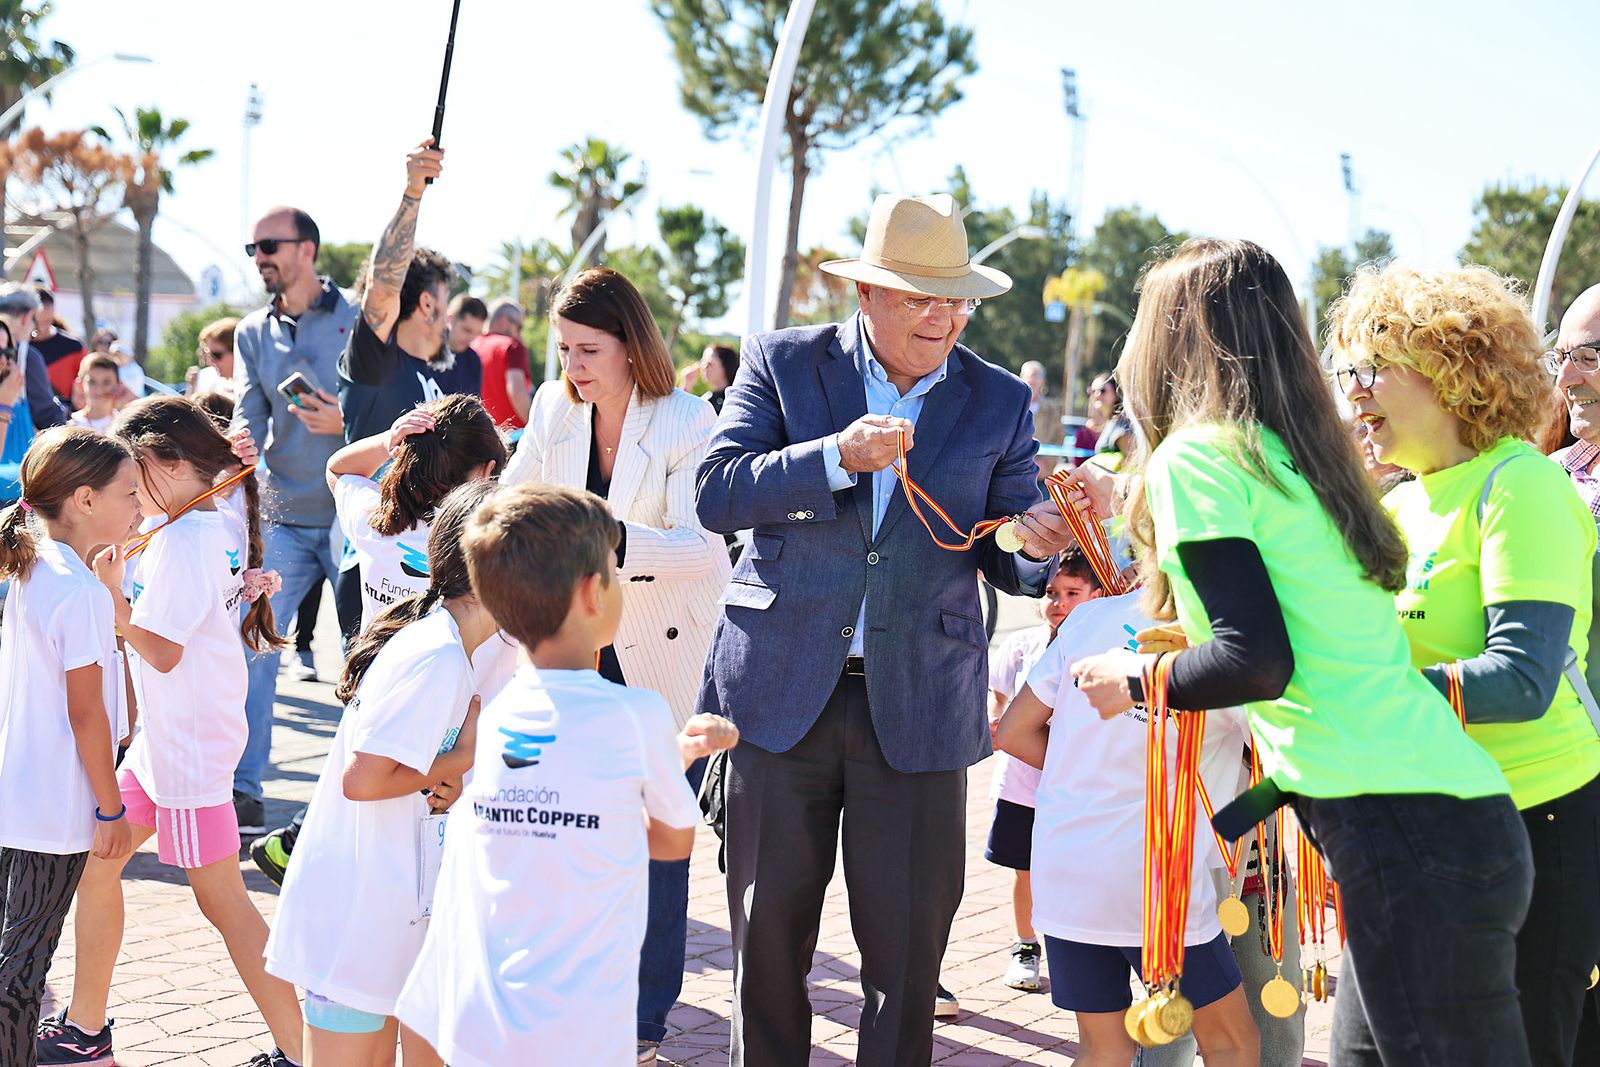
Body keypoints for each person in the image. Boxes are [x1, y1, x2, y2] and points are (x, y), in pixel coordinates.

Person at [1068, 238, 1529, 1066]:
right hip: (1446, 820)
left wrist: (1138, 679)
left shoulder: (1200, 459)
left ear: (1175, 341)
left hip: (1403, 831)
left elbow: (1256, 661)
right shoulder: (1303, 464)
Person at [694, 192, 1075, 1065]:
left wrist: (1036, 541)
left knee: (907, 962)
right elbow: (716, 491)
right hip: (777, 695)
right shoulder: (782, 362)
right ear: (866, 295)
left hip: (921, 706)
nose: (943, 318)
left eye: (957, 299)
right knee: (764, 944)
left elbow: (1005, 550)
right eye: (919, 297)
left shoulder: (1000, 399)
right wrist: (834, 457)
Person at [1330, 264, 1600, 1067]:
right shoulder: (1397, 503)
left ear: (1452, 367)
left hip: (1529, 829)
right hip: (1406, 834)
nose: (1354, 394)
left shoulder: (1522, 485)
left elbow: (1522, 679)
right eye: (1348, 372)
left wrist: (1358, 694)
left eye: (1372, 369)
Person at [394, 483, 737, 1067]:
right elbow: (668, 841)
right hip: (580, 1016)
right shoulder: (639, 714)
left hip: (489, 1009)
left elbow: (571, 791)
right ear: (591, 594)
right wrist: (667, 762)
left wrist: (660, 759)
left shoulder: (502, 712)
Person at [501, 266, 731, 1062]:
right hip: (568, 653)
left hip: (659, 660)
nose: (572, 365)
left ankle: (643, 1021)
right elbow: (510, 500)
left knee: (657, 841)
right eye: (562, 347)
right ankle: (574, 995)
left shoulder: (687, 419)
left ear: (632, 345)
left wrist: (607, 535)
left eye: (588, 348)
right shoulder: (550, 410)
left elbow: (705, 551)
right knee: (569, 832)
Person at [43, 396, 304, 1067]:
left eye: (136, 479)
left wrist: (112, 601)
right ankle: (85, 1029)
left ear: (171, 460)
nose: (129, 496)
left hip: (189, 751)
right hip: (170, 743)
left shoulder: (187, 535)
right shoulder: (202, 516)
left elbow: (161, 649)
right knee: (100, 865)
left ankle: (307, 1050)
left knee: (228, 906)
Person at [265, 481, 514, 1066]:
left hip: (383, 913)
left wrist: (446, 775)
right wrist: (457, 762)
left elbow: (402, 770)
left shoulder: (452, 646)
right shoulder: (440, 655)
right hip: (359, 920)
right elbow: (365, 779)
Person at [997, 584, 1259, 1067]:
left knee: (1103, 1049)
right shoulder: (1238, 642)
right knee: (1231, 1044)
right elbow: (1292, 765)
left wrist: (1080, 775)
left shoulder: (1090, 615)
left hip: (1066, 869)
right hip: (1161, 879)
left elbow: (1013, 732)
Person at [249, 397, 506, 885]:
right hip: (456, 731)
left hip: (374, 709)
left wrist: (388, 439)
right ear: (487, 471)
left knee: (368, 859)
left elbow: (336, 470)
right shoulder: (490, 548)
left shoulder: (378, 521)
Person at [0, 429, 138, 1066]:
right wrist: (110, 811)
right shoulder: (77, 591)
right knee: (22, 974)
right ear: (84, 500)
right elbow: (89, 716)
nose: (139, 507)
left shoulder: (39, 564)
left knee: (15, 960)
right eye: (128, 493)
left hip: (20, 793)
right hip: (53, 810)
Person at [231, 203, 359, 836]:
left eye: (268, 246)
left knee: (373, 655)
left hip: (358, 516)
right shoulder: (251, 332)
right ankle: (243, 789)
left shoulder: (361, 318)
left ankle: (370, 796)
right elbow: (247, 415)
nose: (259, 259)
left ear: (307, 248)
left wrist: (350, 422)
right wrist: (237, 445)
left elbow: (402, 406)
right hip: (280, 516)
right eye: (253, 248)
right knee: (253, 648)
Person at [984, 548, 1101, 992]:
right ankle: (1025, 945)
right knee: (1026, 870)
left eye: (1073, 592)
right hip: (1021, 787)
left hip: (1081, 789)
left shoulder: (1100, 646)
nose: (1060, 602)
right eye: (1052, 592)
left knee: (1081, 869)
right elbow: (1000, 707)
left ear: (1095, 596)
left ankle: (1084, 947)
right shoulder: (1020, 646)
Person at [1546, 282, 1600, 1065]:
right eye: (1561, 355)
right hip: (1560, 793)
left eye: (1588, 355)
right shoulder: (1543, 478)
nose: (1569, 378)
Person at [338, 138, 453, 444]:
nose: (449, 321)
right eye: (446, 303)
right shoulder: (375, 363)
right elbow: (382, 288)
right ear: (427, 304)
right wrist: (413, 192)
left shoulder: (425, 375)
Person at [0, 285, 65, 429]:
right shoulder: (26, 357)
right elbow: (47, 415)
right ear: (27, 317)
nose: (34, 333)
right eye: (35, 325)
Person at [471, 299, 532, 428]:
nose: (520, 334)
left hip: (481, 436)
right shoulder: (512, 347)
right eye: (519, 327)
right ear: (504, 321)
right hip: (512, 436)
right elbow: (517, 393)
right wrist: (535, 426)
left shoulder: (471, 346)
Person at [29, 289, 84, 405]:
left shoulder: (73, 347)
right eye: (38, 322)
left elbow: (84, 385)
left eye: (47, 321)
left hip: (65, 415)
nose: (42, 328)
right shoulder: (19, 346)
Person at [431, 294, 487, 398]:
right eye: (467, 330)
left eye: (477, 333)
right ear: (450, 319)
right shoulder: (426, 349)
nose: (472, 338)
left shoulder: (473, 361)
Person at [1019, 359, 1064, 482]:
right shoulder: (1013, 406)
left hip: (1041, 475)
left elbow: (1058, 438)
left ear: (1043, 382)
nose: (1033, 381)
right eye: (1029, 377)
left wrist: (1047, 463)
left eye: (1037, 377)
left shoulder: (1052, 410)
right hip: (1014, 472)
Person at [678, 342, 740, 414]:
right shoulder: (707, 399)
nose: (704, 367)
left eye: (709, 363)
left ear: (725, 366)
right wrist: (686, 386)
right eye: (702, 363)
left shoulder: (735, 399)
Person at [190, 316, 239, 398]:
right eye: (209, 355)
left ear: (237, 351)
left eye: (216, 355)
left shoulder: (260, 388)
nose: (210, 362)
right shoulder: (221, 388)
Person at [70, 355, 120, 433]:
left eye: (106, 382)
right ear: (80, 385)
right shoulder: (70, 425)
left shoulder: (122, 425)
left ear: (118, 385)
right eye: (92, 382)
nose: (99, 389)